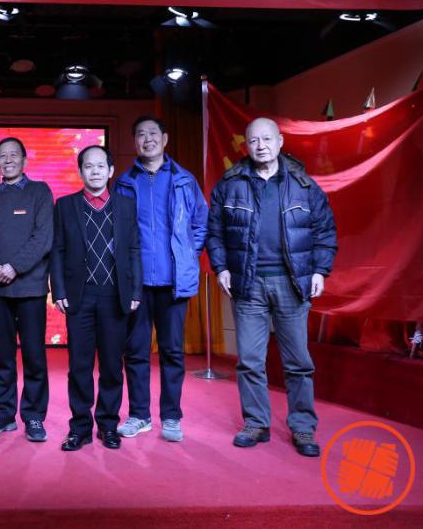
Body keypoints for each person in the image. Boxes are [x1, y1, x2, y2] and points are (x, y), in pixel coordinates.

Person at [206, 117, 337, 457]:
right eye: (253, 141)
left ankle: (303, 427)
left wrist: (320, 270)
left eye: (267, 139)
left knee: (298, 362)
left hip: (292, 282)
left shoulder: (304, 185)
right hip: (248, 283)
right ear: (246, 145)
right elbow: (215, 232)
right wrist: (221, 267)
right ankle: (256, 423)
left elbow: (325, 231)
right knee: (250, 360)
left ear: (280, 142)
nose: (260, 146)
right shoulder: (230, 184)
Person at [113, 116, 208, 443]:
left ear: (165, 139)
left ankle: (171, 416)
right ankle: (139, 415)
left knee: (172, 352)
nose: (147, 139)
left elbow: (200, 223)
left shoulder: (184, 180)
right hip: (137, 284)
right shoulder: (125, 183)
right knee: (136, 352)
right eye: (141, 134)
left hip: (173, 282)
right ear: (135, 142)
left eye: (153, 133)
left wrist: (189, 254)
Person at [51, 145, 142, 451]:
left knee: (112, 366)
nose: (95, 171)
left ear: (111, 170)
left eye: (101, 166)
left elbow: (134, 249)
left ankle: (108, 425)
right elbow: (58, 250)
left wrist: (135, 291)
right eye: (88, 166)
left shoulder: (126, 204)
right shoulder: (65, 206)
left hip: (115, 295)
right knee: (79, 366)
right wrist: (59, 290)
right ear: (80, 172)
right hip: (80, 295)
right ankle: (79, 428)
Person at [0, 137, 53, 442]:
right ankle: (3, 412)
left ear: (25, 160)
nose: (7, 160)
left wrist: (14, 267)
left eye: (13, 155)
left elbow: (43, 238)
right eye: (2, 156)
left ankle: (33, 416)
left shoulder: (40, 192)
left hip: (30, 288)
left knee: (34, 356)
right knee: (2, 356)